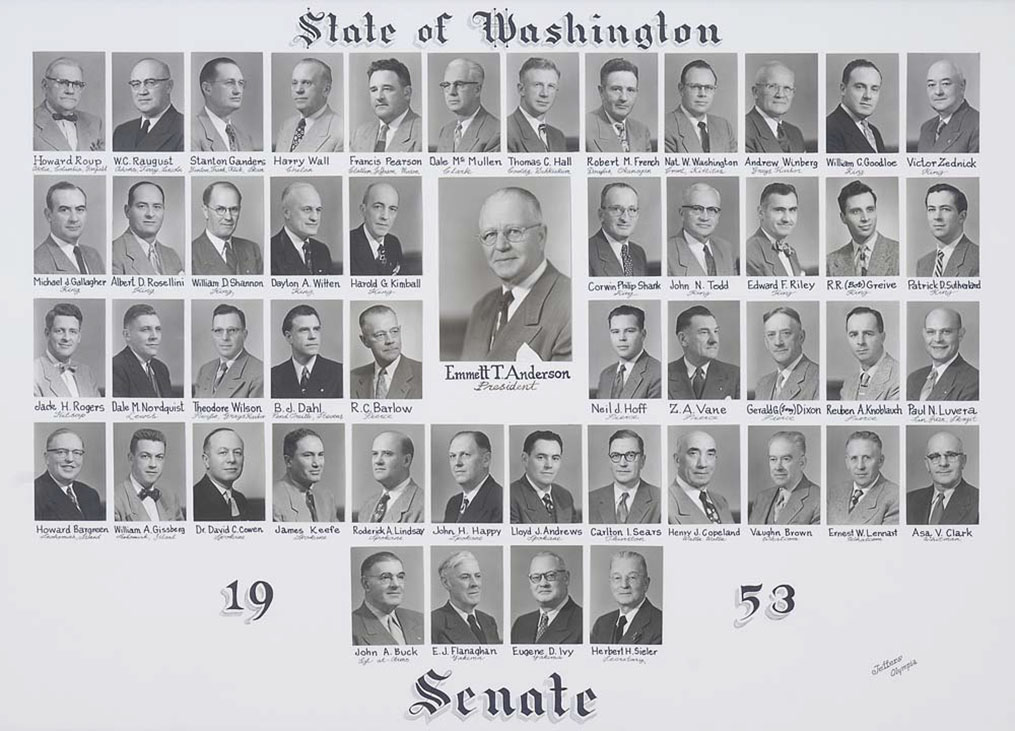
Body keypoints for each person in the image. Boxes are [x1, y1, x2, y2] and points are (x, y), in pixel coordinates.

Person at [460, 187, 571, 361]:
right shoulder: (482, 308)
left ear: (541, 237)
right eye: (490, 234)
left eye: (513, 231)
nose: (501, 245)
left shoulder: (570, 305)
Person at [667, 305, 740, 400]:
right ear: (683, 339)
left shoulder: (735, 376)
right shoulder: (664, 375)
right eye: (704, 332)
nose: (714, 340)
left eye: (716, 331)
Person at [350, 305, 423, 399]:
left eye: (394, 331)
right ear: (365, 341)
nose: (390, 340)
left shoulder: (424, 374)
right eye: (380, 335)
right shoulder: (351, 378)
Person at [827, 180, 898, 276]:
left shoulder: (899, 253)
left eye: (870, 209)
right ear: (843, 218)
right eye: (856, 212)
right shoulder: (830, 263)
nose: (865, 218)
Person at [588, 429, 661, 523]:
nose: (622, 463)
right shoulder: (590, 500)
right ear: (610, 461)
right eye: (615, 456)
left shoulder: (661, 499)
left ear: (642, 461)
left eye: (630, 455)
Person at [352, 551, 425, 645]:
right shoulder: (350, 627)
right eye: (385, 577)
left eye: (400, 577)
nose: (396, 584)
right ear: (366, 584)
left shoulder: (420, 619)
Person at [663, 59, 736, 153]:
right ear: (681, 89)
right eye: (695, 87)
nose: (702, 94)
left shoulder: (724, 127)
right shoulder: (665, 127)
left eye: (709, 88)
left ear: (714, 91)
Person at [270, 304, 343, 398]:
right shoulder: (273, 377)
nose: (313, 336)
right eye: (304, 330)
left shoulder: (339, 373)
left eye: (316, 329)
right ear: (289, 337)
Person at [827, 431, 899, 525]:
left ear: (880, 461)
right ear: (847, 462)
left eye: (867, 458)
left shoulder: (895, 497)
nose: (860, 466)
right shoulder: (834, 493)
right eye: (854, 458)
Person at [590, 551, 662, 644]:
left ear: (646, 583)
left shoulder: (661, 625)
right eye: (617, 578)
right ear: (610, 583)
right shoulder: (601, 624)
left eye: (632, 577)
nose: (624, 585)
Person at [349, 58, 421, 153]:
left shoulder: (422, 133)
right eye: (374, 90)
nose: (379, 97)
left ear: (407, 93)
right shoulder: (359, 134)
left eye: (387, 89)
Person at [111, 181, 183, 275]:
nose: (150, 214)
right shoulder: (113, 254)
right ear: (127, 211)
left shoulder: (172, 256)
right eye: (142, 206)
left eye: (157, 207)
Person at [748, 431, 820, 525]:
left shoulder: (819, 499)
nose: (778, 467)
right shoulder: (762, 498)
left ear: (802, 463)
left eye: (786, 459)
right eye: (773, 459)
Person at [906, 307, 978, 401]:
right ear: (924, 334)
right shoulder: (914, 378)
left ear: (960, 334)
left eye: (946, 332)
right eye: (931, 332)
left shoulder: (974, 382)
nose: (938, 339)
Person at [192, 181, 263, 275]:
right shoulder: (192, 253)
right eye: (220, 209)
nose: (228, 217)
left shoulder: (251, 249)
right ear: (205, 211)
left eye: (234, 209)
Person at [907, 431, 978, 525]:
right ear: (927, 464)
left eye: (951, 455)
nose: (943, 463)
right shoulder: (909, 501)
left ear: (963, 461)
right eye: (935, 457)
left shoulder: (980, 502)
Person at [33, 56, 104, 151]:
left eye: (77, 84)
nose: (70, 91)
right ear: (45, 85)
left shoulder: (95, 123)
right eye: (62, 82)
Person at [667, 182, 738, 276]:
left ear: (718, 216)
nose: (705, 217)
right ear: (682, 213)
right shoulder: (667, 253)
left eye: (712, 210)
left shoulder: (726, 250)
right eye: (697, 209)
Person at [112, 57, 183, 152]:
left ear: (169, 86)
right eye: (136, 84)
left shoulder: (185, 129)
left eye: (150, 83)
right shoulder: (121, 132)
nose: (142, 91)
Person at [511, 551, 582, 644]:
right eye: (536, 577)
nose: (543, 584)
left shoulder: (582, 622)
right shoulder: (521, 624)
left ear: (566, 578)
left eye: (551, 575)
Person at [113, 428, 185, 521]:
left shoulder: (170, 498)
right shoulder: (115, 500)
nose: (153, 465)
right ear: (131, 458)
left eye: (159, 457)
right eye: (145, 456)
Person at [193, 304, 264, 398]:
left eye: (232, 330)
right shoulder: (205, 370)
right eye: (218, 331)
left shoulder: (260, 372)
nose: (225, 337)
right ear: (212, 334)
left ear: (244, 334)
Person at [274, 57, 343, 153]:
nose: (298, 90)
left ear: (326, 90)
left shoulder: (341, 130)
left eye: (306, 83)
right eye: (294, 83)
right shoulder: (286, 126)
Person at [509, 430, 580, 524]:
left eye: (555, 458)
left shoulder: (565, 496)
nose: (549, 465)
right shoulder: (510, 497)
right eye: (541, 457)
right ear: (525, 459)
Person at [35, 181, 105, 274]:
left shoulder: (94, 256)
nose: (74, 219)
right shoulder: (36, 264)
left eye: (80, 209)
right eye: (64, 210)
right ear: (49, 215)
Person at [432, 551, 501, 644]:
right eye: (465, 577)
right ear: (446, 583)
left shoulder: (489, 622)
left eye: (478, 576)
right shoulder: (433, 623)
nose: (475, 583)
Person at [272, 428, 341, 522]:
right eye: (308, 455)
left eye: (320, 455)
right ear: (289, 461)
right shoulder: (273, 500)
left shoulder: (326, 498)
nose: (316, 463)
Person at [34, 303, 101, 397]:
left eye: (73, 332)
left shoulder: (86, 372)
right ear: (47, 333)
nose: (67, 338)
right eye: (59, 331)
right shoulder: (33, 372)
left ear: (79, 337)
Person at [35, 428, 103, 520]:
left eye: (77, 453)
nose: (70, 459)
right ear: (47, 458)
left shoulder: (90, 495)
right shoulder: (34, 495)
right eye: (61, 452)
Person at [595, 305, 662, 399]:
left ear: (643, 335)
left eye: (630, 331)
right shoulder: (605, 375)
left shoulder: (658, 373)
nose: (622, 338)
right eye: (615, 332)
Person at [668, 430, 735, 524]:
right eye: (693, 454)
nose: (702, 464)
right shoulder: (664, 505)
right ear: (677, 460)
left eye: (710, 454)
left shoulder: (721, 501)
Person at [356, 431, 424, 523]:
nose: (378, 461)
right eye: (375, 454)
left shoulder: (423, 506)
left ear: (406, 461)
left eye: (387, 454)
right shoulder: (367, 507)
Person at [586, 58, 652, 152]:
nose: (624, 98)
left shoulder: (642, 131)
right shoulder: (585, 128)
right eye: (616, 89)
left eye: (630, 90)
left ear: (636, 93)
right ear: (601, 91)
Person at [269, 181, 335, 275]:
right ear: (287, 213)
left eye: (318, 210)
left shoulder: (322, 250)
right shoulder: (271, 250)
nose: (315, 218)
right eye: (307, 209)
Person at [193, 57, 258, 151]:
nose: (238, 91)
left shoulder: (245, 139)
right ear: (207, 89)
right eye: (229, 83)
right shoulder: (190, 134)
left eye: (241, 83)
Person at [754, 306, 819, 401]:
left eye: (786, 333)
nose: (778, 342)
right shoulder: (762, 385)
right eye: (771, 335)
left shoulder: (818, 379)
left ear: (801, 337)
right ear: (766, 343)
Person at [436, 58, 500, 153]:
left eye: (459, 84)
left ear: (477, 90)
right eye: (446, 85)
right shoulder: (446, 131)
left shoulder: (497, 132)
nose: (451, 92)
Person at [915, 59, 979, 153]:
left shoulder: (977, 125)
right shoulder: (926, 129)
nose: (938, 92)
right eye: (931, 85)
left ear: (962, 85)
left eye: (945, 84)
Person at [506, 57, 569, 153]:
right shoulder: (506, 132)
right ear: (521, 89)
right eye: (537, 85)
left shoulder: (558, 136)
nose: (545, 93)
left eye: (551, 86)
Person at [916, 183, 979, 277]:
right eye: (932, 209)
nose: (937, 217)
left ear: (962, 217)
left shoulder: (979, 259)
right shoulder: (923, 264)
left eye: (945, 209)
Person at [193, 427, 255, 521]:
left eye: (237, 452)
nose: (232, 459)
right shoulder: (195, 499)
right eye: (223, 452)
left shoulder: (240, 499)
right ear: (206, 460)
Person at [839, 306, 900, 401]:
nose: (860, 342)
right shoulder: (849, 383)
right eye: (854, 335)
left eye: (868, 334)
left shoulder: (899, 378)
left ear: (882, 337)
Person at [745, 182, 806, 276]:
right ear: (761, 213)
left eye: (792, 210)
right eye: (779, 210)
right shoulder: (749, 255)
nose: (787, 219)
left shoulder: (791, 253)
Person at [112, 304, 172, 398]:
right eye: (145, 329)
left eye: (158, 329)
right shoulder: (116, 368)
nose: (154, 336)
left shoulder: (161, 369)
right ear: (127, 335)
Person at [349, 183, 411, 276]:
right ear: (363, 210)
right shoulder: (349, 243)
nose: (385, 216)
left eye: (392, 209)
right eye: (378, 207)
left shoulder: (393, 243)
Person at [826, 59, 886, 153]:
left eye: (874, 89)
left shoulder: (874, 132)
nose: (868, 96)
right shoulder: (829, 129)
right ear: (843, 89)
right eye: (860, 87)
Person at [588, 183, 648, 277]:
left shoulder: (639, 253)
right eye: (617, 209)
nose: (625, 218)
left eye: (632, 210)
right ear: (601, 215)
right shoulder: (587, 253)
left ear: (637, 215)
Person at [745, 61, 806, 153]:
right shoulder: (744, 130)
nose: (780, 94)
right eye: (772, 86)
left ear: (793, 93)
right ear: (756, 92)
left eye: (787, 88)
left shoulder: (795, 133)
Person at [443, 431, 502, 523]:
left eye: (465, 455)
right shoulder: (453, 503)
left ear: (486, 460)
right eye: (452, 456)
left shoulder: (501, 501)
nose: (457, 463)